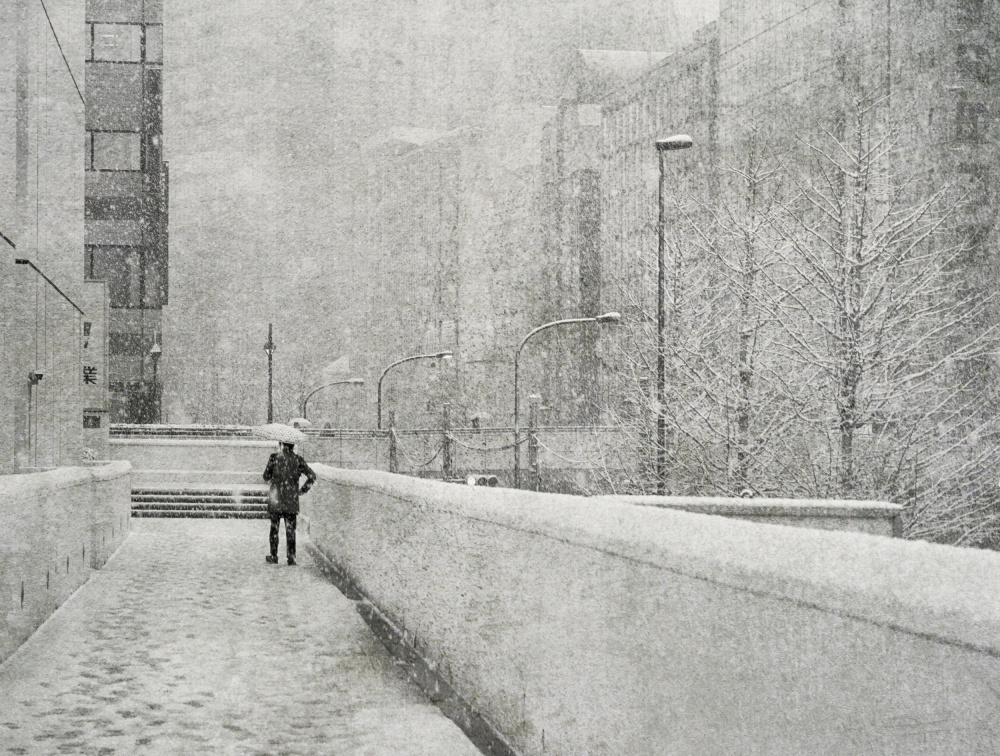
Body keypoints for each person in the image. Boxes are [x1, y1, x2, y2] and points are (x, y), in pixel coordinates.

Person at [262, 441, 316, 565]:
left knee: (274, 529)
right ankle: (291, 558)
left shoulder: (274, 458)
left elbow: (266, 476)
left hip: (276, 499)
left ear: (281, 444)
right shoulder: (298, 460)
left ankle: (274, 555)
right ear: (293, 446)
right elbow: (312, 476)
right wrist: (302, 490)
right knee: (290, 531)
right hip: (291, 500)